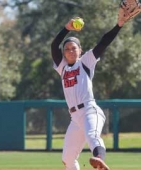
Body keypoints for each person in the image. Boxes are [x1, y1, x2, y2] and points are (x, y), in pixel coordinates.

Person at [50, 8, 131, 169]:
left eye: (74, 48)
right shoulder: (62, 68)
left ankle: (99, 160)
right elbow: (54, 46)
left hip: (89, 111)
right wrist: (67, 28)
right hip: (75, 118)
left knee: (93, 136)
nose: (71, 51)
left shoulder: (85, 62)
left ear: (80, 50)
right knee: (67, 158)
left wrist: (119, 25)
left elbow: (104, 42)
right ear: (64, 54)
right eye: (67, 49)